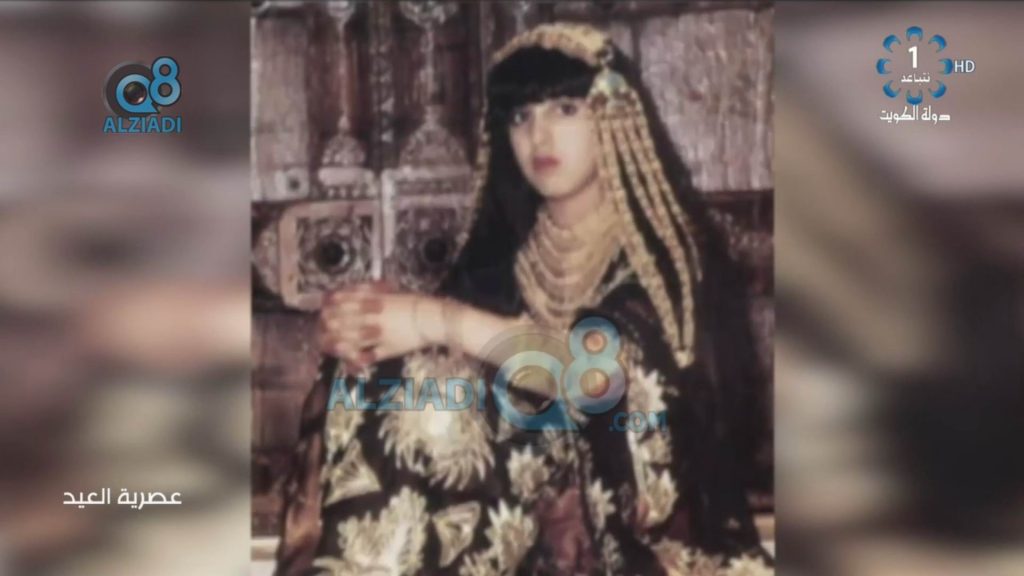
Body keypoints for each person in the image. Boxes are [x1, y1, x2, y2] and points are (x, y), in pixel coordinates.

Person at [278, 23, 771, 576]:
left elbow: (594, 378)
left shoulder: (665, 258)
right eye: (520, 116)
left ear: (614, 117)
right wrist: (354, 331)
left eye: (565, 109)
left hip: (623, 524)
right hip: (514, 513)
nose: (539, 135)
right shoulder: (504, 254)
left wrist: (434, 318)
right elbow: (438, 358)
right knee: (385, 381)